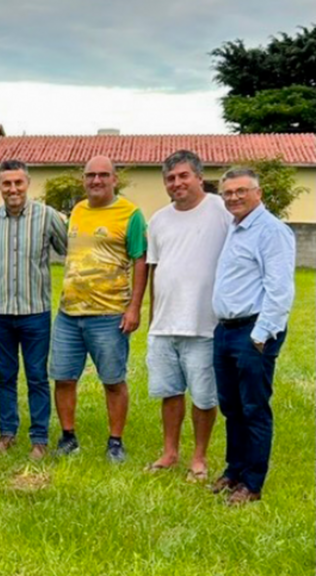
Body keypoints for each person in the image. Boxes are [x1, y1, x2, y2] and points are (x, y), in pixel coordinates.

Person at [50, 155, 147, 462]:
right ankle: (68, 437)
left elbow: (140, 260)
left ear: (114, 179)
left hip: (109, 315)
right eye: (91, 175)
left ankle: (115, 442)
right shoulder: (77, 210)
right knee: (64, 378)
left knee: (113, 381)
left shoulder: (131, 214)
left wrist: (134, 307)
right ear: (84, 179)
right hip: (68, 314)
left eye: (103, 175)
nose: (96, 181)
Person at [144, 151, 231, 481]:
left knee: (204, 395)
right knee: (169, 391)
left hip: (204, 324)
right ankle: (169, 452)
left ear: (199, 176)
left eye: (183, 176)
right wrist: (153, 317)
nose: (177, 183)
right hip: (165, 324)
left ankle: (199, 457)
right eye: (170, 178)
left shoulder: (221, 211)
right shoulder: (159, 220)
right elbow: (156, 270)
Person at [211, 167, 295, 505]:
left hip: (253, 331)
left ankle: (252, 483)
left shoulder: (271, 231)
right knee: (232, 407)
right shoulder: (235, 228)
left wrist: (260, 337)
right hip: (226, 330)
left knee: (254, 408)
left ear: (258, 193)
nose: (233, 197)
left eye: (241, 191)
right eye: (228, 192)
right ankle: (234, 471)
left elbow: (280, 290)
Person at [0, 160, 67, 459]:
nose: (13, 189)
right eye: (6, 183)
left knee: (37, 376)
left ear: (27, 183)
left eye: (18, 183)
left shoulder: (47, 216)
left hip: (35, 312)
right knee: (5, 376)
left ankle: (39, 438)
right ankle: (7, 434)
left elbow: (70, 250)